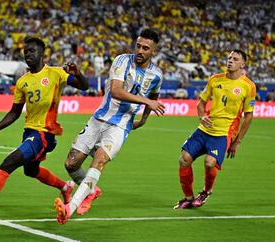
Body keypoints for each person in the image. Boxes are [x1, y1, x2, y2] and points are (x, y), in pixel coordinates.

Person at [0, 36, 89, 220]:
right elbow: (14, 113)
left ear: (42, 53)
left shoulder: (56, 73)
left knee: (9, 163)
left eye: (32, 51)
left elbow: (84, 87)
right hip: (30, 133)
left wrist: (78, 73)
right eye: (25, 52)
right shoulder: (22, 81)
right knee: (30, 170)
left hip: (44, 133)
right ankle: (66, 187)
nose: (27, 55)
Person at [54, 28, 166, 224]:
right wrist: (147, 103)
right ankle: (91, 190)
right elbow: (116, 91)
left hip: (120, 126)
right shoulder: (122, 60)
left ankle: (68, 209)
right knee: (71, 164)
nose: (140, 51)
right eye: (138, 46)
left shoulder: (156, 75)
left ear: (153, 52)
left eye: (145, 48)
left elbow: (154, 95)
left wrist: (145, 118)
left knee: (99, 160)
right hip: (99, 119)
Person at [173, 49, 256, 209]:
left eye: (235, 58)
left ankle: (206, 191)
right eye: (229, 57)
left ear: (242, 64)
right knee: (184, 159)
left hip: (224, 133)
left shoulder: (248, 86)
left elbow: (249, 115)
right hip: (204, 129)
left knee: (210, 163)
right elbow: (200, 104)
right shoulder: (214, 79)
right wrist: (202, 116)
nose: (230, 60)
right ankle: (188, 197)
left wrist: (237, 141)